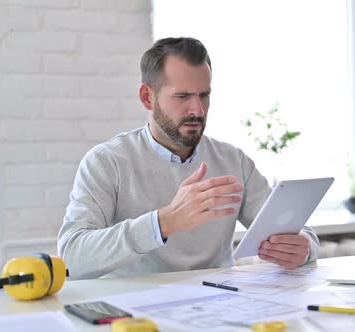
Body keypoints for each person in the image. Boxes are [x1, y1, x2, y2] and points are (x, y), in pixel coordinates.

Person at [57, 37, 319, 279]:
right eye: (182, 96)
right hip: (135, 316)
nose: (198, 109)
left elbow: (297, 231)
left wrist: (303, 249)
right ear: (147, 97)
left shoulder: (233, 160)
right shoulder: (107, 162)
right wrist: (164, 222)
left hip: (217, 307)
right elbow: (72, 258)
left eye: (204, 95)